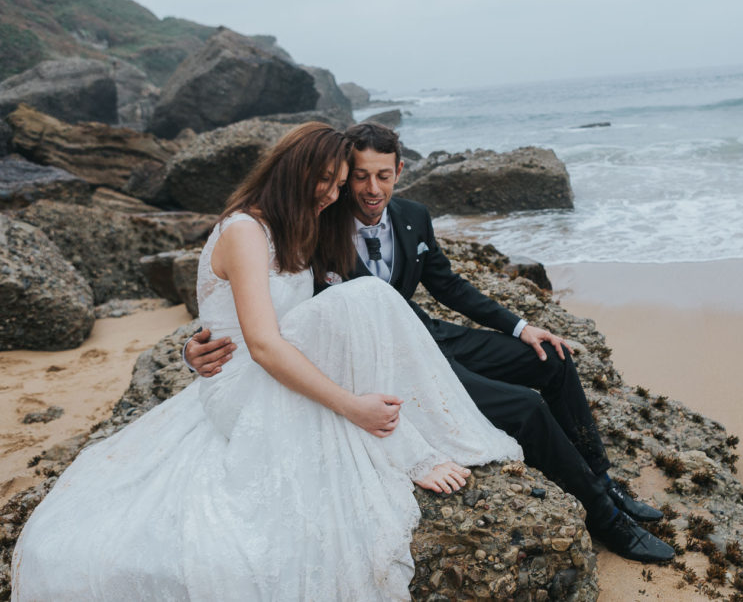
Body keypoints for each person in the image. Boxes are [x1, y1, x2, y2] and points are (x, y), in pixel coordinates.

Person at [13, 123, 522, 601]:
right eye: (325, 180)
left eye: (338, 184)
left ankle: (410, 433)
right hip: (243, 378)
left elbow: (304, 324)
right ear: (289, 168)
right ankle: (405, 440)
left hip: (276, 363)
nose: (330, 193)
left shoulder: (301, 227)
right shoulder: (244, 231)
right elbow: (261, 343)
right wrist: (352, 407)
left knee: (363, 299)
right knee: (365, 298)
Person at [186, 122, 675, 563]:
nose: (362, 190)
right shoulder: (313, 221)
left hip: (425, 334)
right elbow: (254, 309)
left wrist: (522, 326)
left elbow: (448, 284)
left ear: (399, 172)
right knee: (523, 409)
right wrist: (198, 349)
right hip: (371, 357)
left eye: (380, 176)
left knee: (553, 359)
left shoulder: (409, 216)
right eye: (353, 178)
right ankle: (606, 521)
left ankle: (605, 485)